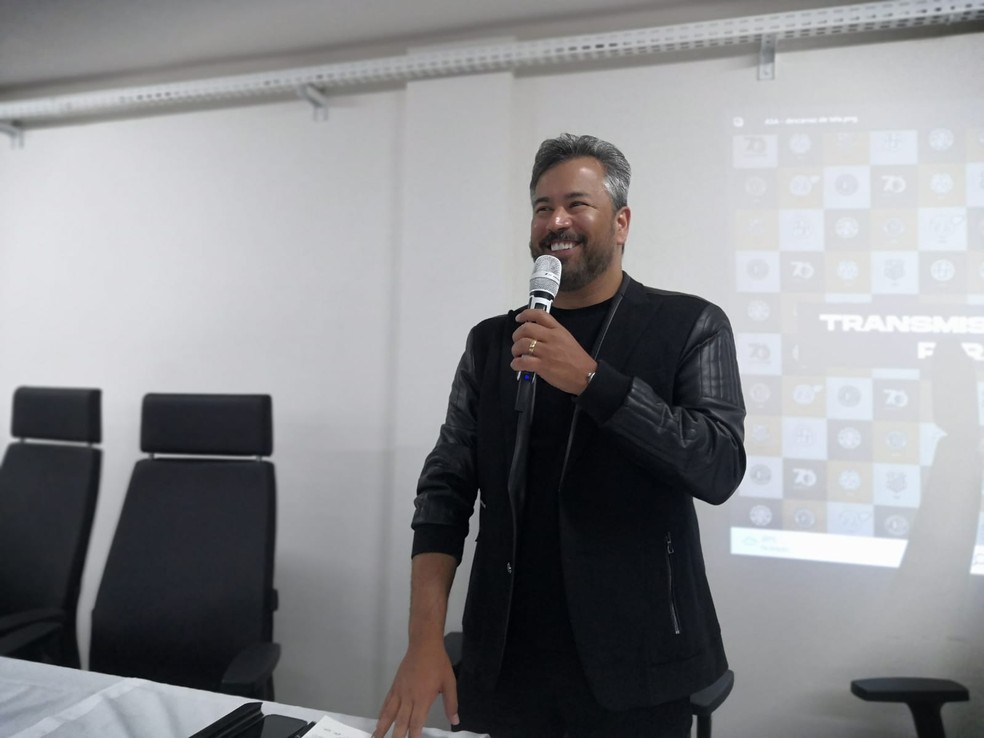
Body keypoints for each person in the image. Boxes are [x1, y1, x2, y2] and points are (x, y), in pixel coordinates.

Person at [374, 133, 746, 738]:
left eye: (577, 204)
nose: (556, 222)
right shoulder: (494, 341)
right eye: (542, 207)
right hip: (508, 663)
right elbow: (444, 490)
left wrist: (596, 382)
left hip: (640, 669)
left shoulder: (690, 325)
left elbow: (718, 465)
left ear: (621, 222)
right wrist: (423, 642)